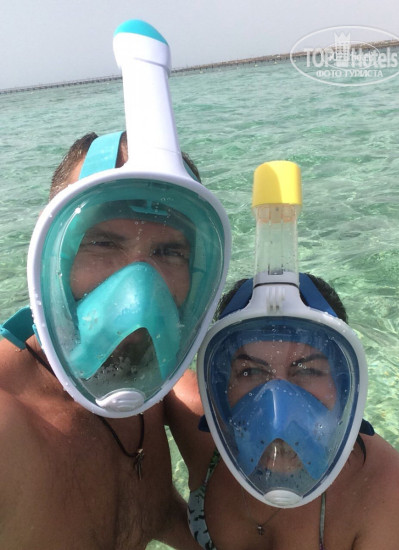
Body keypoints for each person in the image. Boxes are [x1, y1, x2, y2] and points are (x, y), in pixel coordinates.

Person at [0, 131, 226, 550]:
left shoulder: (146, 382)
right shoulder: (8, 421)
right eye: (102, 242)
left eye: (169, 251)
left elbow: (156, 511)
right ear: (49, 251)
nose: (139, 293)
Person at [166, 274, 399, 550]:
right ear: (220, 389)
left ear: (344, 387)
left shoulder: (388, 497)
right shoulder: (199, 431)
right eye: (250, 371)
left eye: (308, 370)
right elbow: (155, 381)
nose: (277, 410)